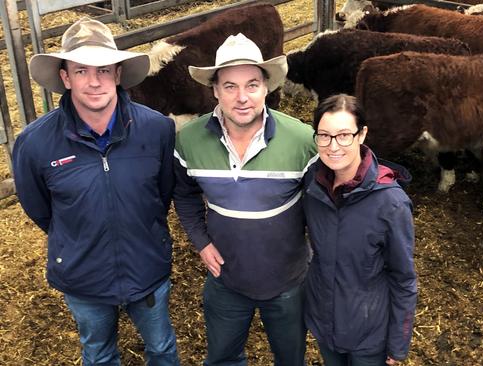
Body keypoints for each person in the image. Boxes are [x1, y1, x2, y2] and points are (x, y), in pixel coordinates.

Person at [12, 17, 179, 365]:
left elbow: (161, 194)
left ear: (118, 74)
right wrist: (78, 235)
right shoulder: (35, 143)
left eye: (103, 70)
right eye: (81, 70)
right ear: (65, 77)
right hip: (82, 271)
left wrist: (142, 229)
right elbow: (39, 208)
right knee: (99, 353)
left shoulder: (156, 129)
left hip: (145, 263)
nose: (93, 82)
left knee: (161, 347)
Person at [173, 33, 317, 365]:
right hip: (226, 280)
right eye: (230, 86)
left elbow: (320, 206)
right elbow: (184, 193)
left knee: (291, 358)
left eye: (252, 85)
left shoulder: (301, 139)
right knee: (222, 357)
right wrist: (200, 241)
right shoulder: (189, 140)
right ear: (214, 90)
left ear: (267, 87)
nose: (242, 98)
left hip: (288, 282)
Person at [303, 94, 417, 365]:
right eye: (324, 136)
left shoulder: (391, 203)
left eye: (344, 135)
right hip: (325, 323)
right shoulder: (313, 185)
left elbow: (404, 278)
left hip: (368, 334)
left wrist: (398, 343)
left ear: (362, 134)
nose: (333, 146)